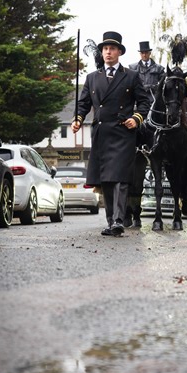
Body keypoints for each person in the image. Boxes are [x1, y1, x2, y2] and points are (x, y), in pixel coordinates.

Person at [71, 31, 150, 237]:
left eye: (112, 48)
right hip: (101, 133)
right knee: (106, 179)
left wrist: (137, 118)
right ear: (102, 52)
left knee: (120, 178)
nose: (108, 52)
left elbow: (144, 102)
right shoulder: (91, 78)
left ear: (119, 52)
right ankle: (110, 221)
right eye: (105, 48)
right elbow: (83, 104)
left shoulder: (131, 76)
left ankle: (118, 220)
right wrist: (78, 119)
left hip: (123, 132)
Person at [125, 41, 165, 227]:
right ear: (140, 53)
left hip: (154, 108)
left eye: (146, 52)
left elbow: (167, 88)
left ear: (149, 53)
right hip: (139, 109)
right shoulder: (132, 68)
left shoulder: (159, 69)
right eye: (142, 53)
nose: (144, 55)